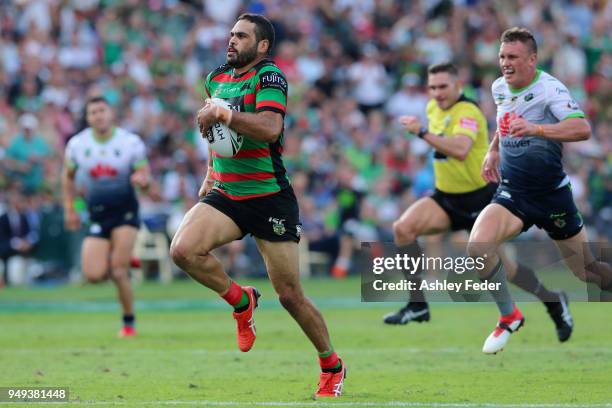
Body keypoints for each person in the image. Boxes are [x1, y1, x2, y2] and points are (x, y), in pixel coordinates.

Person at [169, 14, 346, 398]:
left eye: (242, 36)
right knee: (183, 250)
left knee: (290, 296)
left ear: (262, 45)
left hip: (269, 197)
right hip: (228, 192)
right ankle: (241, 300)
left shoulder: (270, 77)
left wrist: (224, 113)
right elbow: (215, 135)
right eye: (231, 34)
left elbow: (269, 128)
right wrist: (211, 171)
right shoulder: (216, 78)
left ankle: (331, 363)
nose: (232, 40)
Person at [383, 62, 574, 345]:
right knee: (402, 229)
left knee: (507, 270)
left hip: (481, 199)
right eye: (432, 87)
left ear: (458, 85)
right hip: (447, 197)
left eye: (443, 86)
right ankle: (417, 304)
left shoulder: (468, 111)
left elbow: (460, 150)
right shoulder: (433, 108)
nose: (437, 92)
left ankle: (553, 301)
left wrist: (422, 132)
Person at [469, 27, 612, 354]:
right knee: (478, 248)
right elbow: (503, 120)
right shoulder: (499, 87)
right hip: (514, 193)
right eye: (502, 56)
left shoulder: (550, 90)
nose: (505, 63)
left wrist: (537, 128)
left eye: (513, 57)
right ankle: (509, 316)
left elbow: (582, 128)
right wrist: (493, 149)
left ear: (532, 60)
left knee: (587, 271)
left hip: (552, 196)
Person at [62, 96, 151, 337]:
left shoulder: (130, 142)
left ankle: (128, 322)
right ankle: (119, 256)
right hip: (97, 215)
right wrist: (70, 209)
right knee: (92, 275)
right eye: (93, 112)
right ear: (88, 118)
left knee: (119, 272)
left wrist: (142, 180)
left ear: (110, 113)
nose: (98, 115)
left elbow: (145, 175)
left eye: (102, 110)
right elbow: (68, 177)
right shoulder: (77, 145)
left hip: (125, 212)